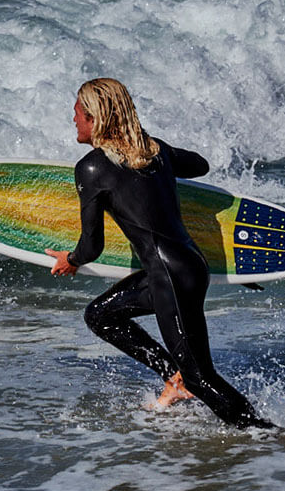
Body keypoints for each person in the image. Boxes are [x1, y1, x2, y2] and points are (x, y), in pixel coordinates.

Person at [45, 78, 272, 429]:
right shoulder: (155, 151)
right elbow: (200, 165)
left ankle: (266, 434)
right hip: (183, 268)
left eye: (77, 112)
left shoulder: (91, 168)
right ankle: (172, 375)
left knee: (203, 378)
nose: (73, 119)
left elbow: (93, 246)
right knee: (100, 316)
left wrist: (70, 260)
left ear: (94, 117)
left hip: (169, 277)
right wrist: (153, 150)